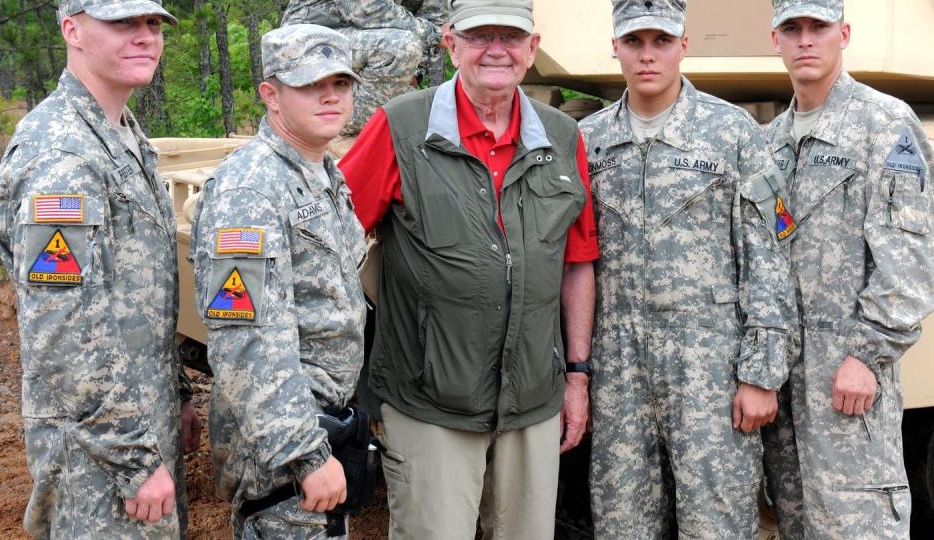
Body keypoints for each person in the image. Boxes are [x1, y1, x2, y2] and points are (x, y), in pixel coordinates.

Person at [338, 0, 598, 537]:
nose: (496, 49)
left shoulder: (562, 137)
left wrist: (577, 376)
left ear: (532, 48)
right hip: (430, 403)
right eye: (480, 36)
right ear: (450, 43)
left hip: (531, 401)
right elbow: (333, 243)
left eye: (511, 36)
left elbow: (576, 264)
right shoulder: (401, 127)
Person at [578, 1, 798, 537]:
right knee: (621, 522)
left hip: (711, 371)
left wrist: (761, 374)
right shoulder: (587, 140)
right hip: (618, 370)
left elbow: (770, 252)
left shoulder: (733, 132)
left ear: (684, 46)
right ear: (615, 47)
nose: (647, 55)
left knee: (716, 523)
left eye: (660, 41)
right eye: (634, 42)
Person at [0, 0, 201, 537]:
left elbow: (139, 297)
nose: (145, 37)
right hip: (96, 454)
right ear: (72, 30)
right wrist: (133, 457)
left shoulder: (120, 133)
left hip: (132, 429)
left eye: (152, 24)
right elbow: (63, 332)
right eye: (122, 23)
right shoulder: (62, 155)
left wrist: (174, 394)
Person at [761, 1, 934, 537]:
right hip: (786, 386)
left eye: (818, 27)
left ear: (843, 33)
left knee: (857, 523)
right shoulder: (773, 142)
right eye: (792, 29)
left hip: (847, 378)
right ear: (776, 40)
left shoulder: (884, 123)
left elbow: (908, 258)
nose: (805, 41)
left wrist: (869, 354)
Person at [191, 24, 368, 539]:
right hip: (283, 453)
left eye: (341, 81)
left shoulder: (320, 173)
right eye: (311, 83)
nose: (331, 94)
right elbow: (246, 342)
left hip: (321, 426)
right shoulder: (251, 189)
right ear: (270, 94)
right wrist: (306, 454)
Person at [281, 0, 447, 135]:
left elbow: (434, 18)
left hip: (356, 45)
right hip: (303, 44)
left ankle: (365, 124)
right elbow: (367, 10)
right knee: (401, 46)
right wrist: (436, 34)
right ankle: (342, 128)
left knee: (423, 111)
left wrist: (415, 73)